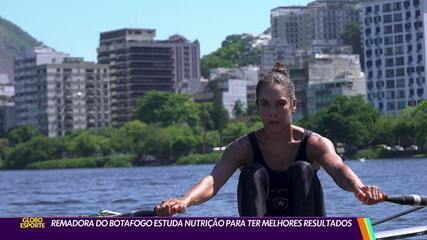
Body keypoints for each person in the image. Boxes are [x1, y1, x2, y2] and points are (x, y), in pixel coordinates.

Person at [155, 63, 383, 217]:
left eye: (280, 104)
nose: (272, 112)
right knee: (252, 171)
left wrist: (360, 189)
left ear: (293, 105)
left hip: (308, 225)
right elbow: (213, 181)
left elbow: (339, 170)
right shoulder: (242, 148)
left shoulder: (315, 144)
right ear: (258, 107)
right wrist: (184, 201)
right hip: (260, 229)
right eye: (265, 104)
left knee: (302, 169)